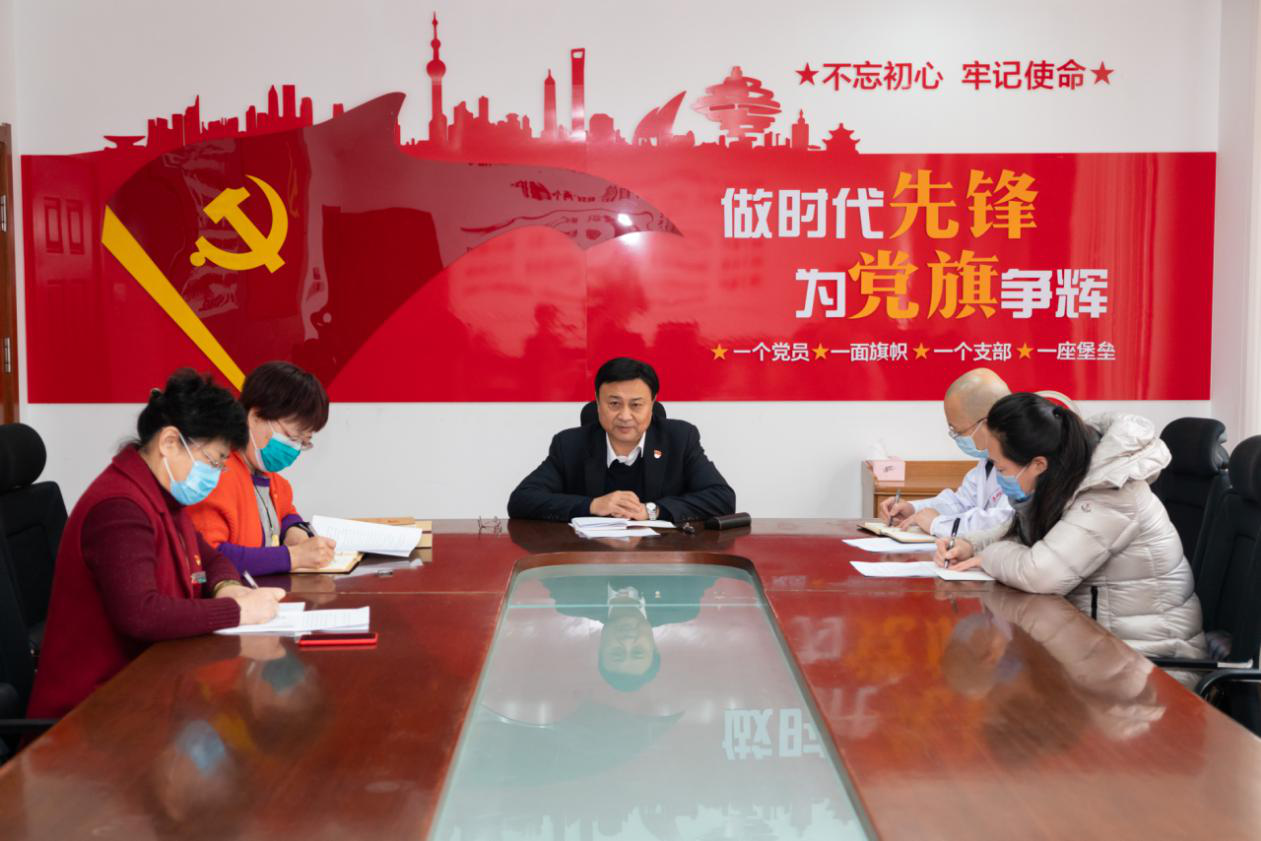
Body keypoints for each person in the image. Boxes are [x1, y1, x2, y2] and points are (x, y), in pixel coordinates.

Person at [28, 369, 286, 719]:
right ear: (169, 442)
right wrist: (238, 611)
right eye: (213, 461)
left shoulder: (163, 496)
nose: (215, 474)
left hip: (151, 689)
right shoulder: (119, 507)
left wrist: (227, 587)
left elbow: (210, 559)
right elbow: (142, 614)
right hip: (92, 712)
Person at [934, 392, 1207, 659]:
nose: (997, 476)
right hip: (1102, 646)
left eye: (1001, 468)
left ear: (1038, 465)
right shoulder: (1068, 476)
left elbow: (1039, 574)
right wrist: (971, 545)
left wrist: (986, 556)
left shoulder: (1110, 494)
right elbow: (1025, 534)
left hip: (1153, 660)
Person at [507, 357, 736, 522]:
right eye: (614, 404)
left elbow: (722, 498)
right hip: (590, 562)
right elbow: (522, 500)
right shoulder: (570, 445)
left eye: (636, 405)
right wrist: (592, 505)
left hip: (661, 561)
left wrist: (652, 511)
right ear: (598, 402)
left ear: (652, 403)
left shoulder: (680, 438)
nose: (625, 416)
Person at [188, 361, 335, 575]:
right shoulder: (215, 474)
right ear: (255, 417)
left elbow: (286, 513)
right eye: (292, 437)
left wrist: (294, 530)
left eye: (303, 442)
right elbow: (209, 556)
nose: (294, 449)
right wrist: (293, 557)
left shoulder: (270, 479)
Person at [882, 367, 1012, 537]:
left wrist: (937, 524)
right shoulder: (988, 461)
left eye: (958, 431)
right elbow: (961, 502)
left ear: (985, 424)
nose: (956, 437)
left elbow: (1004, 522)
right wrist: (913, 509)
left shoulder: (1026, 459)